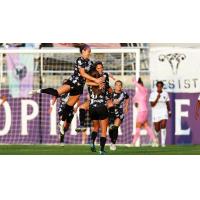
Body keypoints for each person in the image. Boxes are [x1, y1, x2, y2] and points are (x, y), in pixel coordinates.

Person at [29, 44, 103, 134]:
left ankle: (61, 123)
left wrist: (99, 80)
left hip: (79, 87)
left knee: (68, 107)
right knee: (56, 93)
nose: (89, 53)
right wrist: (96, 80)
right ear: (83, 51)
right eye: (88, 51)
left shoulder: (90, 63)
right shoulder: (80, 60)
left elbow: (89, 77)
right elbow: (83, 73)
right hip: (72, 82)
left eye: (90, 51)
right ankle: (38, 90)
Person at [49, 79, 79, 146]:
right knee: (62, 124)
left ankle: (61, 133)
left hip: (70, 109)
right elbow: (54, 97)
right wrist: (51, 107)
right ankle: (61, 141)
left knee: (66, 127)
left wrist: (76, 107)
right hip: (62, 108)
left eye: (66, 83)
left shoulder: (72, 91)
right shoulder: (61, 91)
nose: (65, 85)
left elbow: (77, 99)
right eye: (64, 83)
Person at [87, 69, 109, 155]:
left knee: (95, 127)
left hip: (92, 108)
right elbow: (106, 85)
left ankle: (92, 142)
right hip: (101, 107)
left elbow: (87, 82)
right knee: (103, 130)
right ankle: (102, 150)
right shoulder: (102, 83)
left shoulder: (89, 84)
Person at [132, 78, 158, 147]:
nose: (139, 86)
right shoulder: (139, 93)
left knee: (138, 126)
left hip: (142, 111)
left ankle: (133, 143)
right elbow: (134, 99)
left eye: (140, 84)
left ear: (142, 84)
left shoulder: (144, 90)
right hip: (143, 110)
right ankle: (155, 140)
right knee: (146, 126)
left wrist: (134, 82)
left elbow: (139, 87)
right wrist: (135, 102)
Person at [149, 81, 171, 147]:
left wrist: (169, 111)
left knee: (163, 124)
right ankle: (156, 140)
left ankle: (163, 143)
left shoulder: (165, 94)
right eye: (158, 86)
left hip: (163, 111)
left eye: (160, 86)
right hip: (156, 112)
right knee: (157, 128)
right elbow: (152, 104)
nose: (159, 87)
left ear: (162, 87)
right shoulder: (153, 94)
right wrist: (157, 98)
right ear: (156, 87)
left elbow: (167, 103)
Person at [109, 80, 129, 151]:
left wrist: (126, 107)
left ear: (121, 86)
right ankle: (112, 140)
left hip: (119, 112)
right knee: (111, 129)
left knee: (115, 127)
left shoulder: (123, 93)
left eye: (120, 85)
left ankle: (114, 144)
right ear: (115, 86)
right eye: (117, 85)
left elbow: (127, 98)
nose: (118, 86)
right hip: (110, 112)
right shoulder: (110, 93)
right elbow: (107, 101)